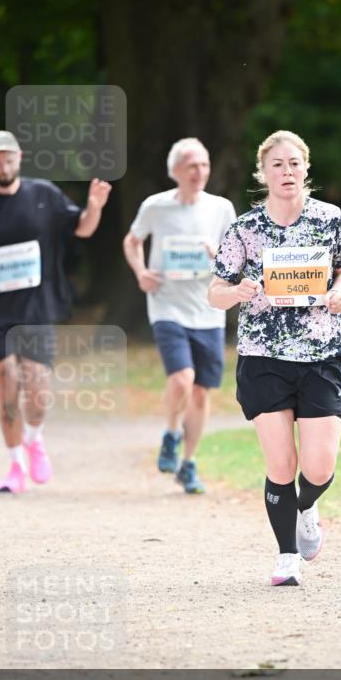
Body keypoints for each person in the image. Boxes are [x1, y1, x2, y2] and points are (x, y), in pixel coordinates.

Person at [208, 129, 341, 587]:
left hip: (320, 352)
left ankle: (307, 506)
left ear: (306, 168)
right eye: (277, 165)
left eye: (294, 163)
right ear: (263, 173)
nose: (286, 172)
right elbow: (215, 293)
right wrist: (237, 291)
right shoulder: (244, 229)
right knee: (281, 466)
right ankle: (287, 555)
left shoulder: (329, 219)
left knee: (319, 467)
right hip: (264, 355)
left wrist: (338, 293)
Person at [0, 130, 111, 494]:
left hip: (37, 308)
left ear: (19, 157)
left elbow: (82, 229)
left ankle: (34, 439)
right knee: (7, 384)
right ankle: (14, 466)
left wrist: (95, 206)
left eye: (9, 158)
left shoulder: (44, 195)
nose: (3, 165)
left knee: (36, 388)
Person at [123, 138, 235, 494]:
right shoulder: (156, 207)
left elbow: (235, 260)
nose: (199, 172)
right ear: (175, 171)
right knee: (183, 378)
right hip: (166, 305)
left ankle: (188, 464)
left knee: (201, 394)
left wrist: (218, 255)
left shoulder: (221, 209)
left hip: (208, 309)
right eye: (191, 166)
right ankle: (171, 433)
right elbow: (131, 240)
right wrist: (141, 272)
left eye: (204, 165)